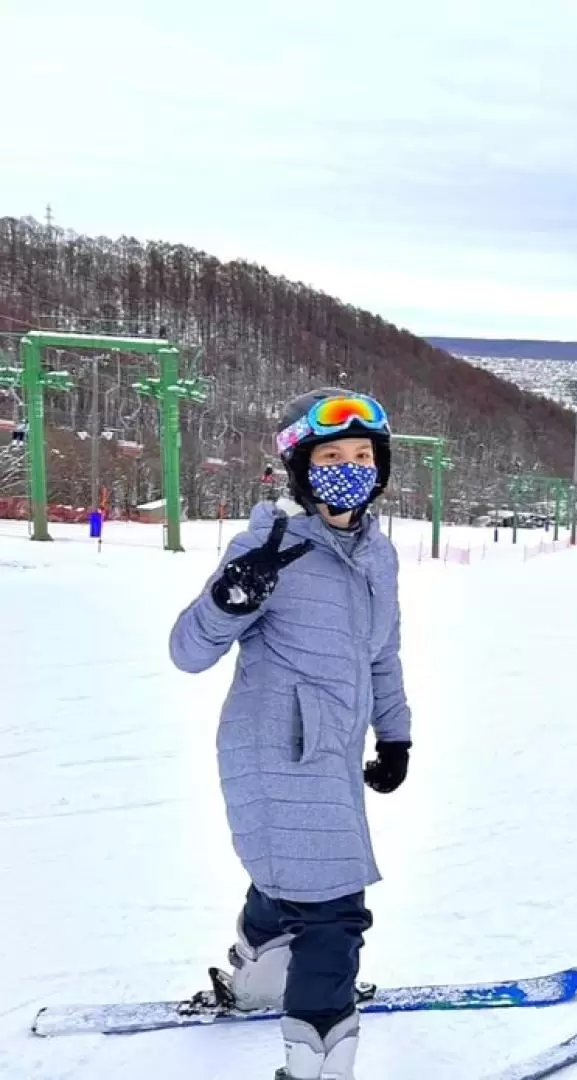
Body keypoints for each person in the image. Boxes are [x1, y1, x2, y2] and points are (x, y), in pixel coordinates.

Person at [168, 389, 412, 1080]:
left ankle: (256, 981)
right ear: (301, 470)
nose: (350, 468)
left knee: (292, 881)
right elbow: (188, 650)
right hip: (271, 749)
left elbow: (381, 653)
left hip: (328, 752)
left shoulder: (377, 554)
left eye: (363, 455)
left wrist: (394, 735)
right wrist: (230, 597)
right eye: (331, 456)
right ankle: (318, 1068)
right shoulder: (268, 546)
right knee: (333, 913)